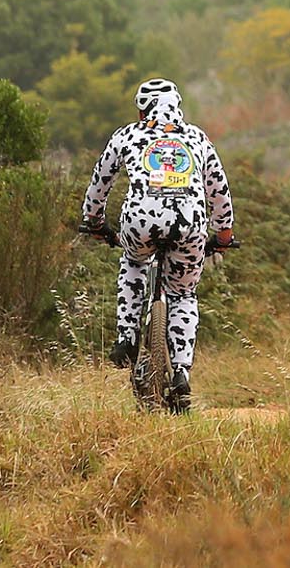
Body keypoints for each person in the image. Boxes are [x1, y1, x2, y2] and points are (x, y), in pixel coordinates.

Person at [81, 77, 236, 412]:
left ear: (141, 109)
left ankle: (126, 336)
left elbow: (99, 183)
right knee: (182, 294)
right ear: (178, 106)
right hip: (190, 224)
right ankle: (180, 371)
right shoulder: (196, 137)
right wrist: (223, 236)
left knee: (134, 264)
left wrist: (94, 222)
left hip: (140, 220)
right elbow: (219, 191)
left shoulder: (127, 135)